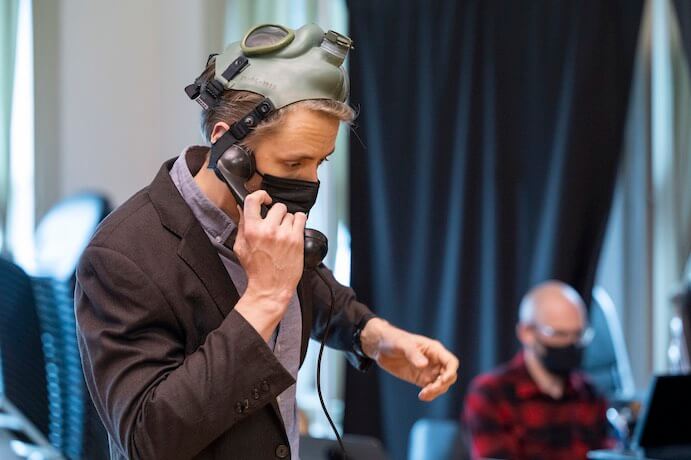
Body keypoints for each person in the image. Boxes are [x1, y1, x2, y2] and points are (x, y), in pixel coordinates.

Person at [74, 24, 459, 460]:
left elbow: (312, 283)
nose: (310, 183)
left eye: (320, 162)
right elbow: (149, 439)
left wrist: (375, 336)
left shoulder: (262, 216)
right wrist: (263, 299)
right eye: (294, 162)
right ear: (227, 146)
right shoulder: (122, 257)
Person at [463, 280, 612, 460]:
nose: (570, 344)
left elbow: (607, 453)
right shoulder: (491, 394)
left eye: (578, 335)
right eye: (559, 334)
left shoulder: (590, 394)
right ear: (527, 333)